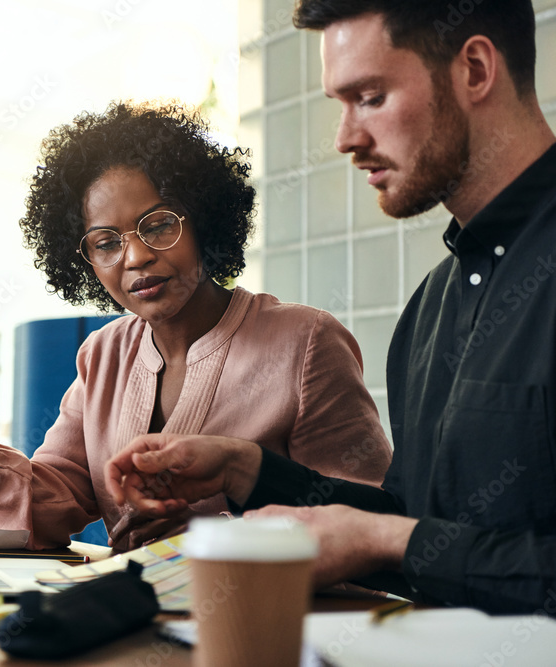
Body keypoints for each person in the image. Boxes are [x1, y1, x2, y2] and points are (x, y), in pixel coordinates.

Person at [105, 0, 556, 615]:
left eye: (370, 97)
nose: (346, 138)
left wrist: (387, 539)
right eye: (339, 105)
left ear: (475, 69)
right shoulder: (430, 310)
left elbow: (400, 538)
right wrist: (246, 468)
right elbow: (413, 525)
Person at [0, 102, 391, 551]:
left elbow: (367, 522)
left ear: (204, 220)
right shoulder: (102, 353)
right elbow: (40, 509)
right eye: (106, 242)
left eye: (157, 225)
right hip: (134, 626)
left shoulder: (306, 343)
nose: (135, 256)